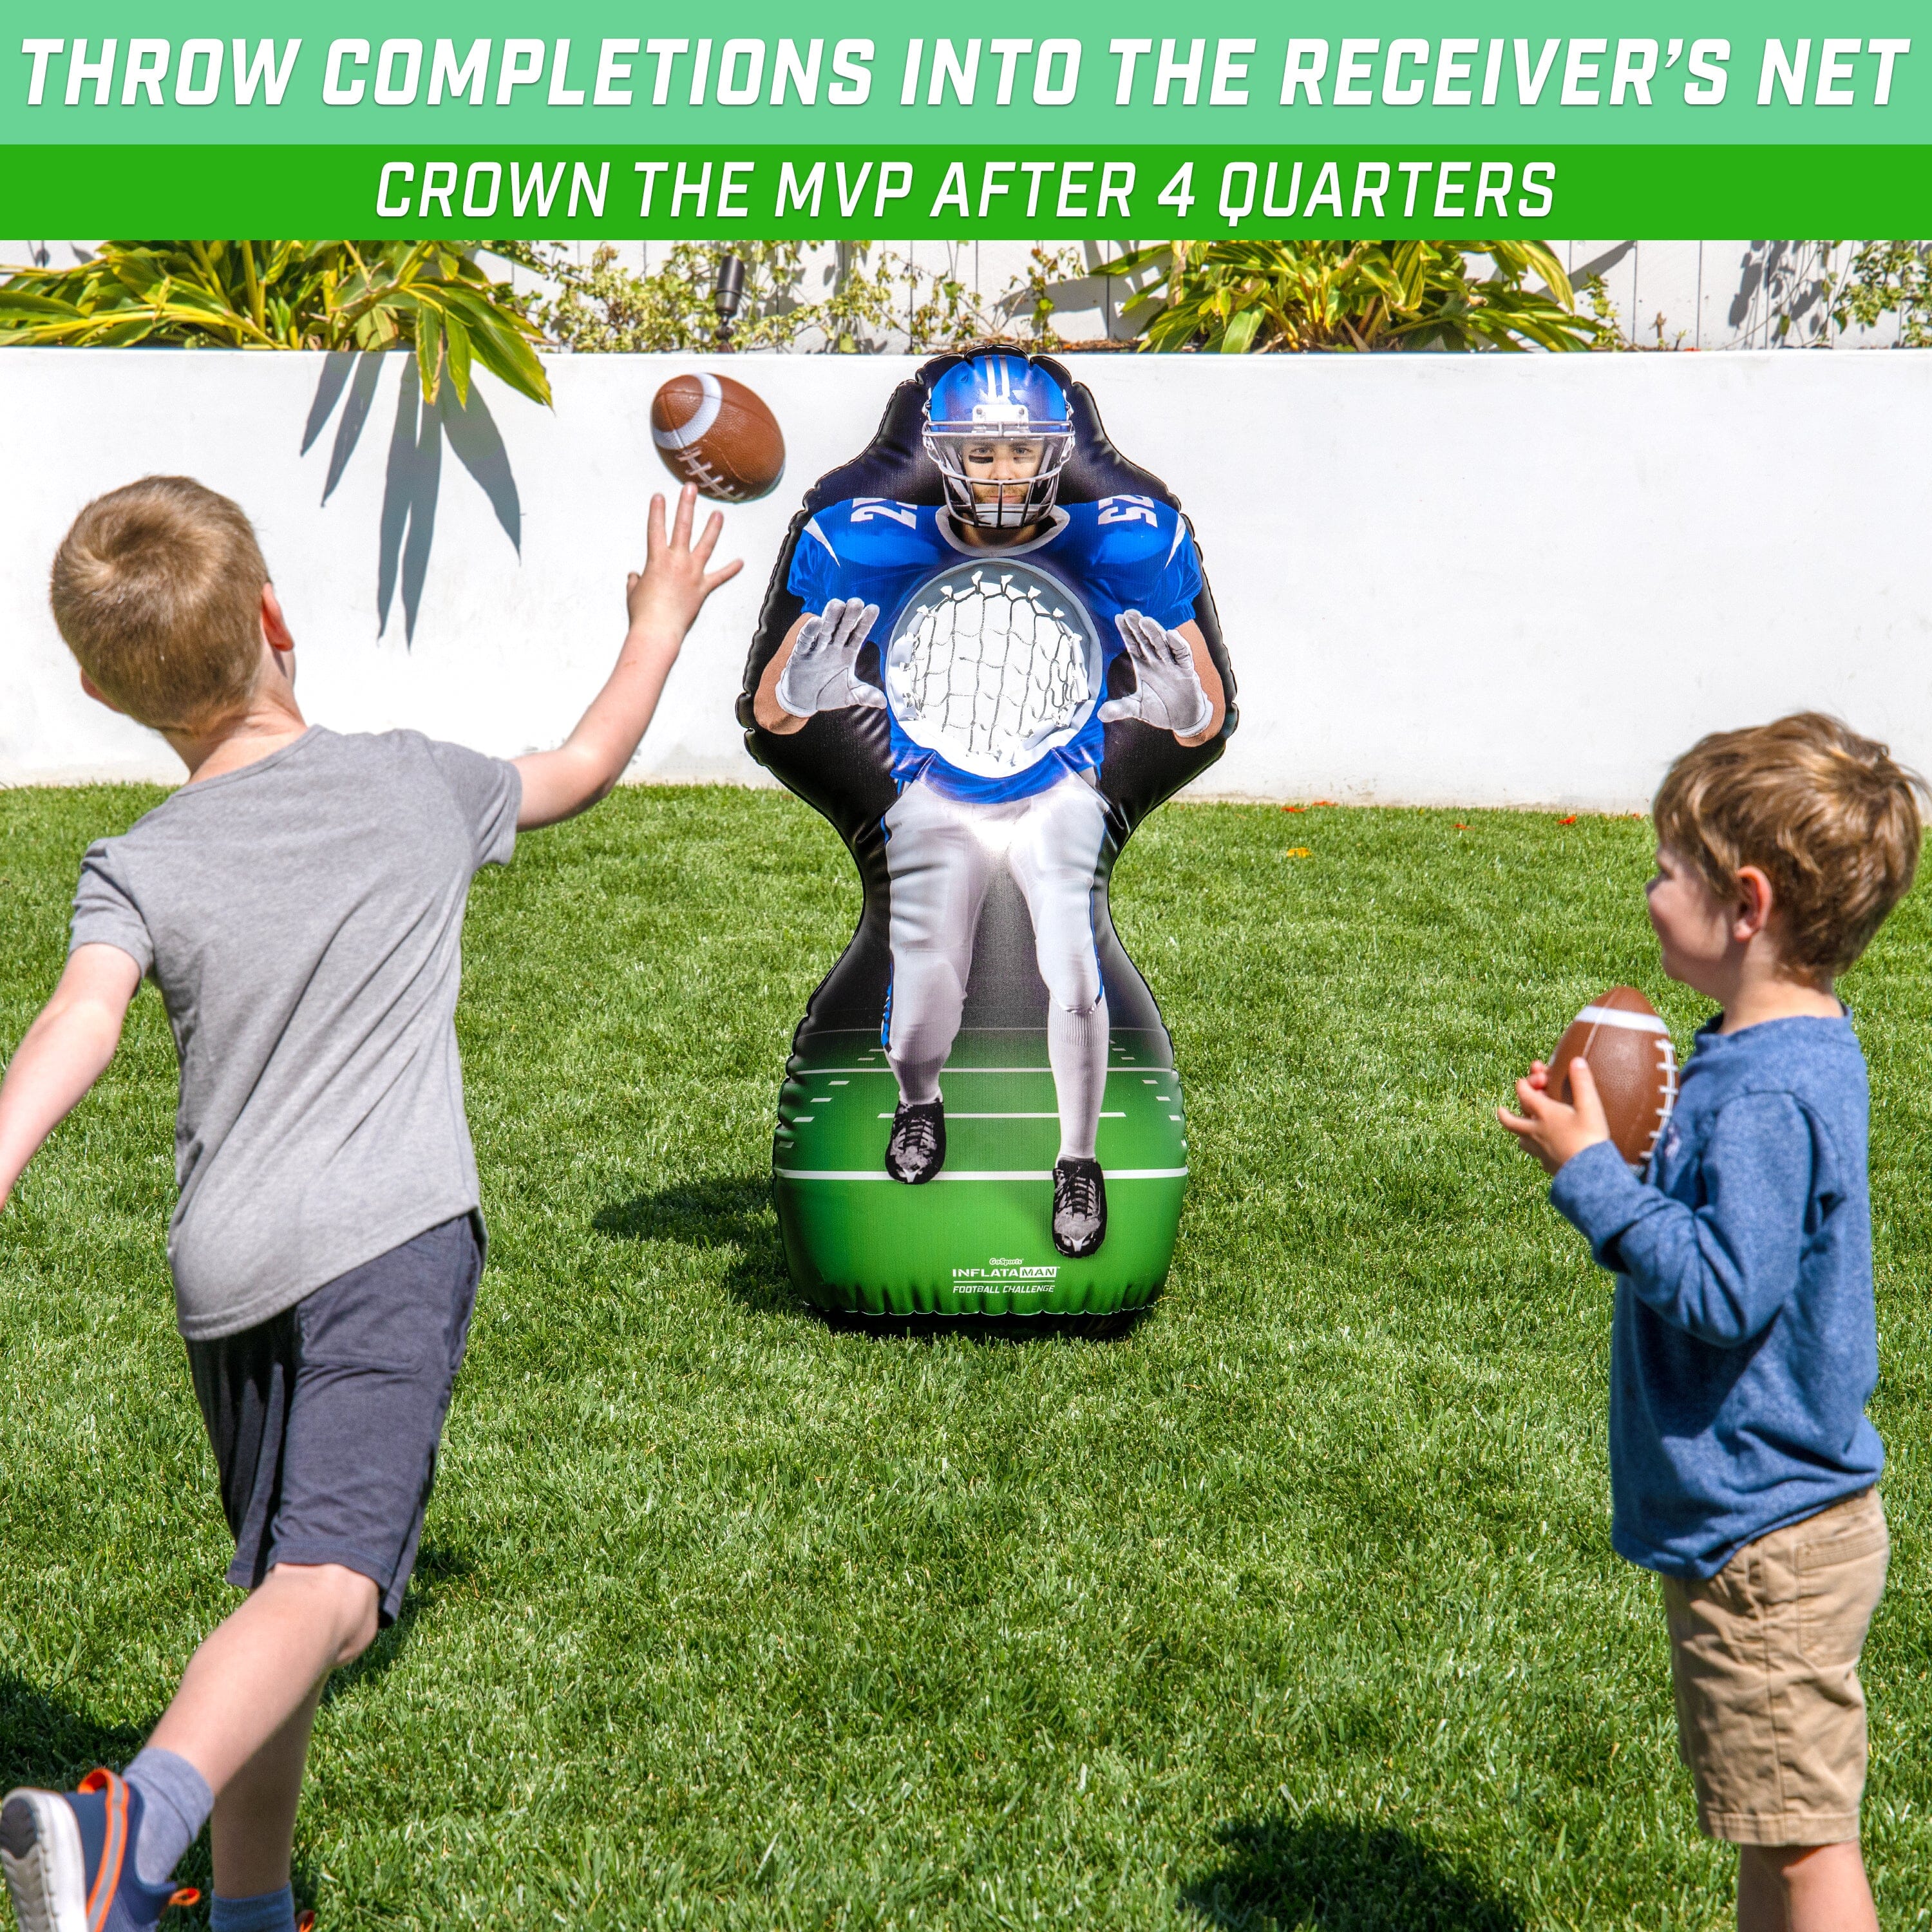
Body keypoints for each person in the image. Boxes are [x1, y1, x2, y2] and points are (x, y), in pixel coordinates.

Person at [0, 476, 738, 1932]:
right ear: (277, 617)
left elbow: (82, 1021)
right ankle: (129, 1834)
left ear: (100, 689)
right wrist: (659, 622)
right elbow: (580, 764)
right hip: (387, 1244)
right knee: (332, 1590)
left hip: (225, 1273)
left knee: (280, 1594)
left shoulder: (135, 862)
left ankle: (252, 1907)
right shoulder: (414, 779)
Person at [1497, 714, 1922, 1932]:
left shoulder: (1769, 1093)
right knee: (1766, 1826)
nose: (1648, 890)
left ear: (1747, 903)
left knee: (1804, 1846)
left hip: (1769, 1537)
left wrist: (1593, 1179)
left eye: (1665, 868)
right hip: (1759, 1525)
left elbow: (1728, 1290)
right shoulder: (1765, 1051)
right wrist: (1613, 1139)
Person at [750, 352, 1225, 1257]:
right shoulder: (868, 541)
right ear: (944, 458)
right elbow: (775, 710)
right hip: (933, 783)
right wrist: (807, 691)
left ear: (1054, 453)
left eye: (1018, 450)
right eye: (982, 453)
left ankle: (1076, 1162)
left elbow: (1203, 717)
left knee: (1072, 964)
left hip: (1063, 781)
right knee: (926, 985)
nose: (1001, 471)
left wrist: (1182, 709)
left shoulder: (1124, 542)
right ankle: (922, 1102)